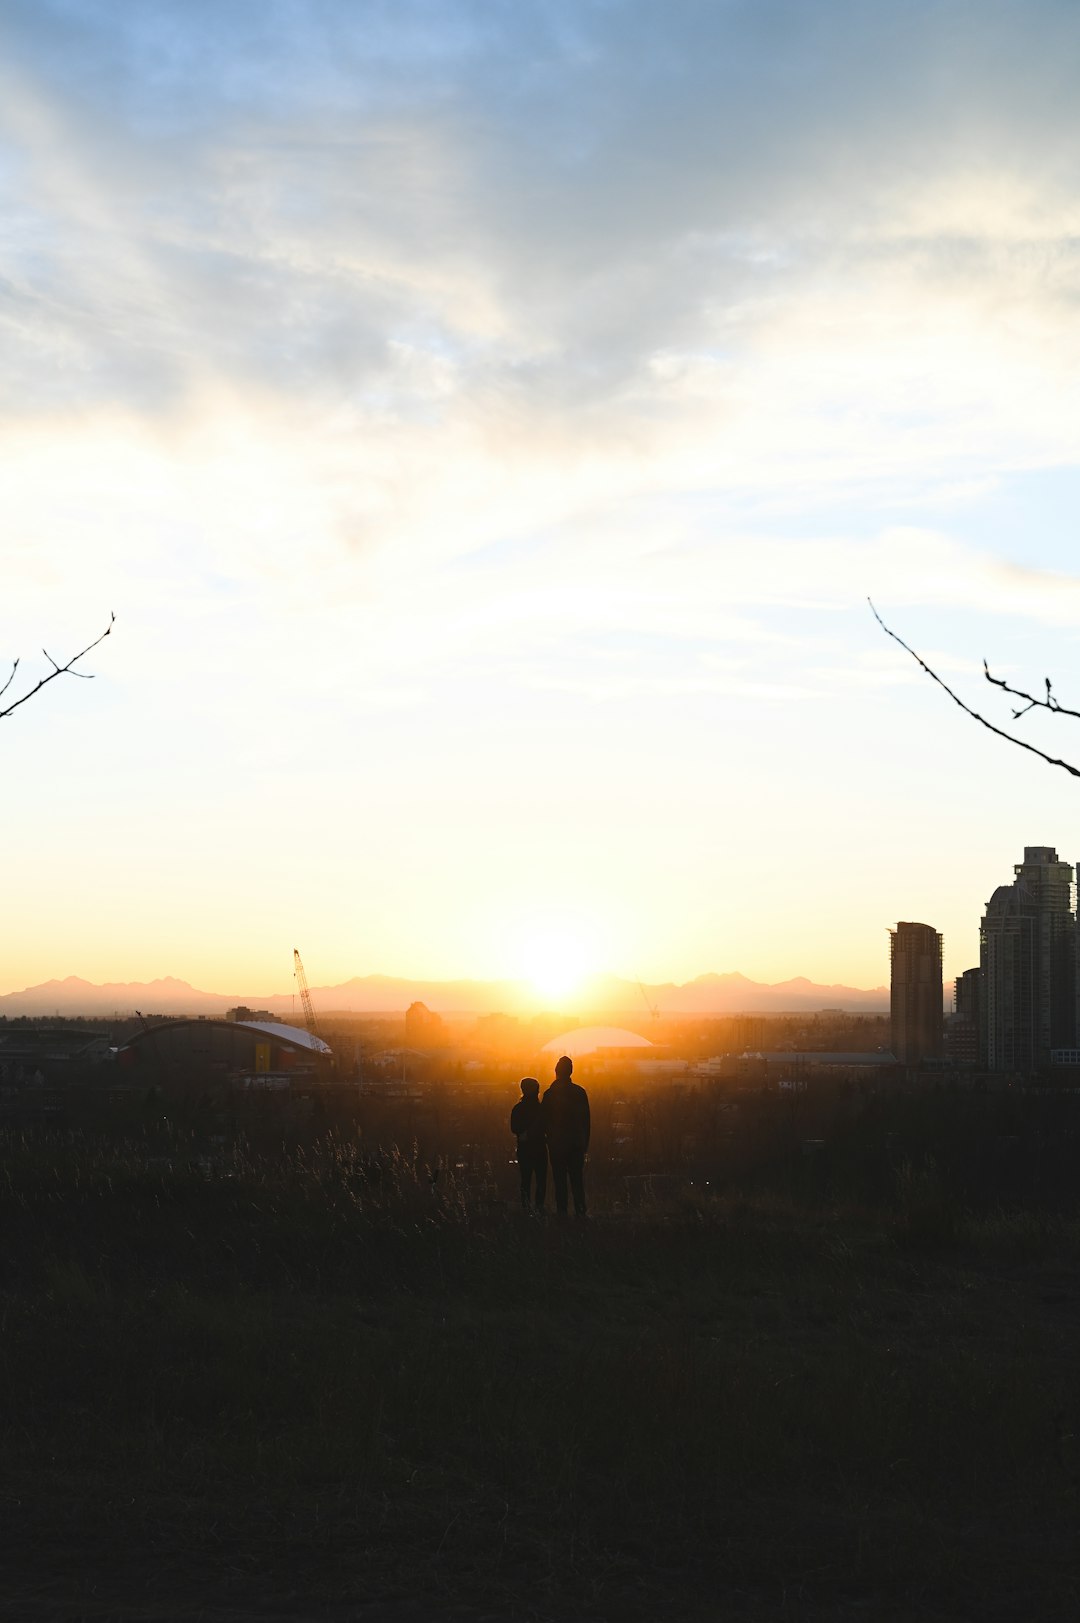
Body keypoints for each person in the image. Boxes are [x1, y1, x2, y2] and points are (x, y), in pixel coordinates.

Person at [541, 1054, 590, 1217]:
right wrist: (584, 1144)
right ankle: (580, 1212)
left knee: (559, 1180)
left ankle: (562, 1212)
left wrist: (547, 1140)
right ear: (571, 1072)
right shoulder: (580, 1092)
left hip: (557, 1145)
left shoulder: (549, 1095)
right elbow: (586, 1121)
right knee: (577, 1180)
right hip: (576, 1144)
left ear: (556, 1072)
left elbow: (544, 1121)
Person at [510, 1076, 547, 1210]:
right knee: (541, 1181)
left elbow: (514, 1128)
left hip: (524, 1149)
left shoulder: (517, 1109)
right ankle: (540, 1208)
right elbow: (546, 1127)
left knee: (525, 1180)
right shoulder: (541, 1109)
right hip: (540, 1148)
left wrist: (525, 1133)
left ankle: (526, 1208)